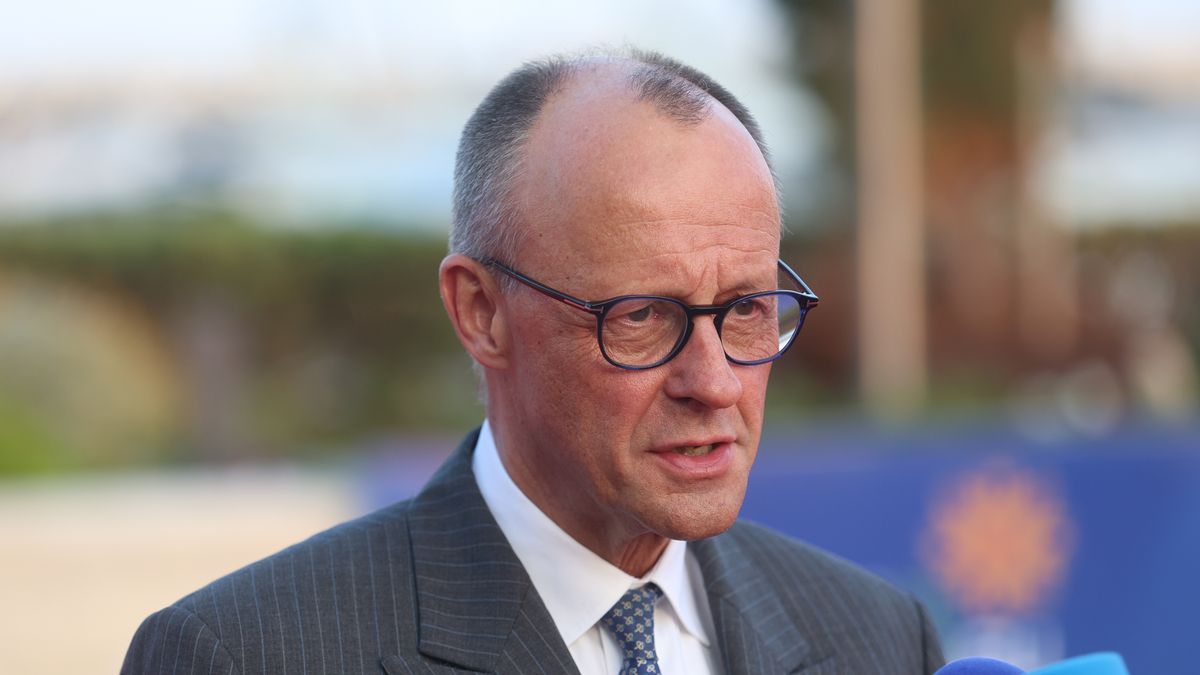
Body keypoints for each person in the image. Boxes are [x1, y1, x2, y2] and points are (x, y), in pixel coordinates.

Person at [122, 49, 945, 675]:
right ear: (480, 312)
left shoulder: (878, 637)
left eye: (748, 309)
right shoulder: (246, 653)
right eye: (642, 317)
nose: (716, 381)